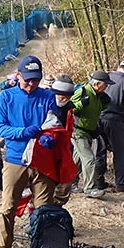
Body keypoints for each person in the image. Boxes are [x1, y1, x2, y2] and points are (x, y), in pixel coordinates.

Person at [0, 55, 57, 248]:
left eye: (36, 80)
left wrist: (50, 137)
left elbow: (54, 124)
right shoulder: (7, 97)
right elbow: (1, 128)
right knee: (8, 206)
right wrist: (23, 132)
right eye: (27, 79)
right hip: (15, 159)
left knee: (44, 209)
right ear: (18, 75)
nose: (31, 84)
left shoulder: (48, 97)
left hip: (42, 160)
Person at [96, 59, 124, 192]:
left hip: (98, 117)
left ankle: (98, 182)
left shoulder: (105, 77)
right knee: (119, 152)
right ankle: (121, 183)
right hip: (115, 120)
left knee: (100, 150)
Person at [71, 71, 114, 199]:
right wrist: (81, 104)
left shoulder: (98, 96)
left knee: (78, 160)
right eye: (105, 84)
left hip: (88, 131)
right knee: (89, 159)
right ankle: (90, 188)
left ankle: (70, 183)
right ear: (97, 84)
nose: (107, 87)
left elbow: (97, 110)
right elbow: (69, 109)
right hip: (78, 132)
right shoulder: (82, 92)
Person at [51, 75, 76, 205]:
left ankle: (57, 209)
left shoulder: (70, 108)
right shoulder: (45, 104)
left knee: (65, 181)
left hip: (64, 147)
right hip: (45, 147)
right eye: (61, 96)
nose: (64, 99)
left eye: (67, 96)